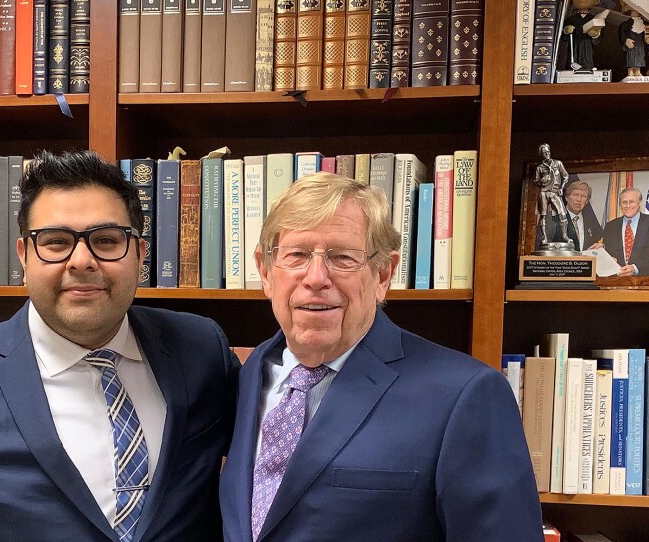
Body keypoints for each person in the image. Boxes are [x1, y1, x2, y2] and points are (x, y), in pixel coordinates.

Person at [0, 150, 238, 541]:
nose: (81, 261)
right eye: (56, 242)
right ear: (24, 256)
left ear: (141, 255)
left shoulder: (201, 348)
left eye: (106, 240)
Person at [219, 172, 543, 542]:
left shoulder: (466, 395)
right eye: (297, 255)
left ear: (383, 274)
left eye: (342, 257)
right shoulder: (245, 376)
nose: (316, 277)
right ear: (265, 270)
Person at [594, 186, 649, 276]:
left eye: (631, 202)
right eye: (624, 202)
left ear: (639, 203)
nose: (627, 205)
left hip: (644, 283)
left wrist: (635, 268)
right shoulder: (610, 226)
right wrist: (600, 252)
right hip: (616, 282)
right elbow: (610, 254)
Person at [547, 179, 603, 251]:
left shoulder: (591, 223)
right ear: (567, 197)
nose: (579, 199)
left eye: (583, 196)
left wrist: (600, 247)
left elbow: (597, 244)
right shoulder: (553, 220)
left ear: (587, 201)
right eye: (575, 195)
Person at [534, 143, 572, 247]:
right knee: (543, 215)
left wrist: (561, 188)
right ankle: (544, 237)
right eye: (544, 153)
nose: (547, 153)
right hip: (544, 192)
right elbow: (535, 182)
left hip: (555, 192)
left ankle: (565, 236)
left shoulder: (558, 163)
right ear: (541, 154)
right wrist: (542, 180)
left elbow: (565, 176)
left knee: (562, 214)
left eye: (548, 151)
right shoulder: (540, 168)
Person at [619, 2, 649, 78]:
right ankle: (631, 71)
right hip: (631, 44)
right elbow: (622, 34)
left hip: (640, 44)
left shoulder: (645, 24)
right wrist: (625, 40)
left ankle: (637, 71)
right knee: (631, 56)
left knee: (640, 56)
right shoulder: (626, 24)